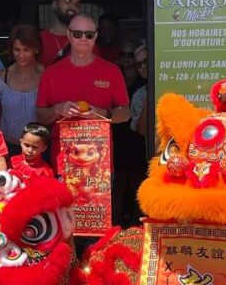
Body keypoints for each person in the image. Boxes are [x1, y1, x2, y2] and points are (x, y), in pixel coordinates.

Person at [35, 13, 130, 164]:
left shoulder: (111, 71)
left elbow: (125, 113)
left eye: (89, 35)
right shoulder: (51, 73)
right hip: (63, 160)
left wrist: (101, 113)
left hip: (100, 162)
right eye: (77, 34)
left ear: (96, 36)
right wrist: (57, 110)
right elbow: (40, 116)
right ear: (69, 35)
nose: (83, 39)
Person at [0, 25, 44, 155]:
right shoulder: (0, 78)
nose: (21, 55)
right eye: (17, 50)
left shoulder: (46, 76)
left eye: (26, 50)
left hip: (38, 150)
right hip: (7, 148)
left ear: (35, 49)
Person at [112, 44, 150, 227]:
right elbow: (141, 129)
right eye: (139, 64)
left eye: (147, 62)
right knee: (124, 187)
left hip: (153, 149)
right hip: (129, 144)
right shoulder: (140, 94)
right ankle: (126, 228)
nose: (143, 67)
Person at [40, 0, 97, 67]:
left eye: (77, 4)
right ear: (55, 4)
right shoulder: (39, 39)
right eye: (68, 1)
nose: (73, 7)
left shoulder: (86, 41)